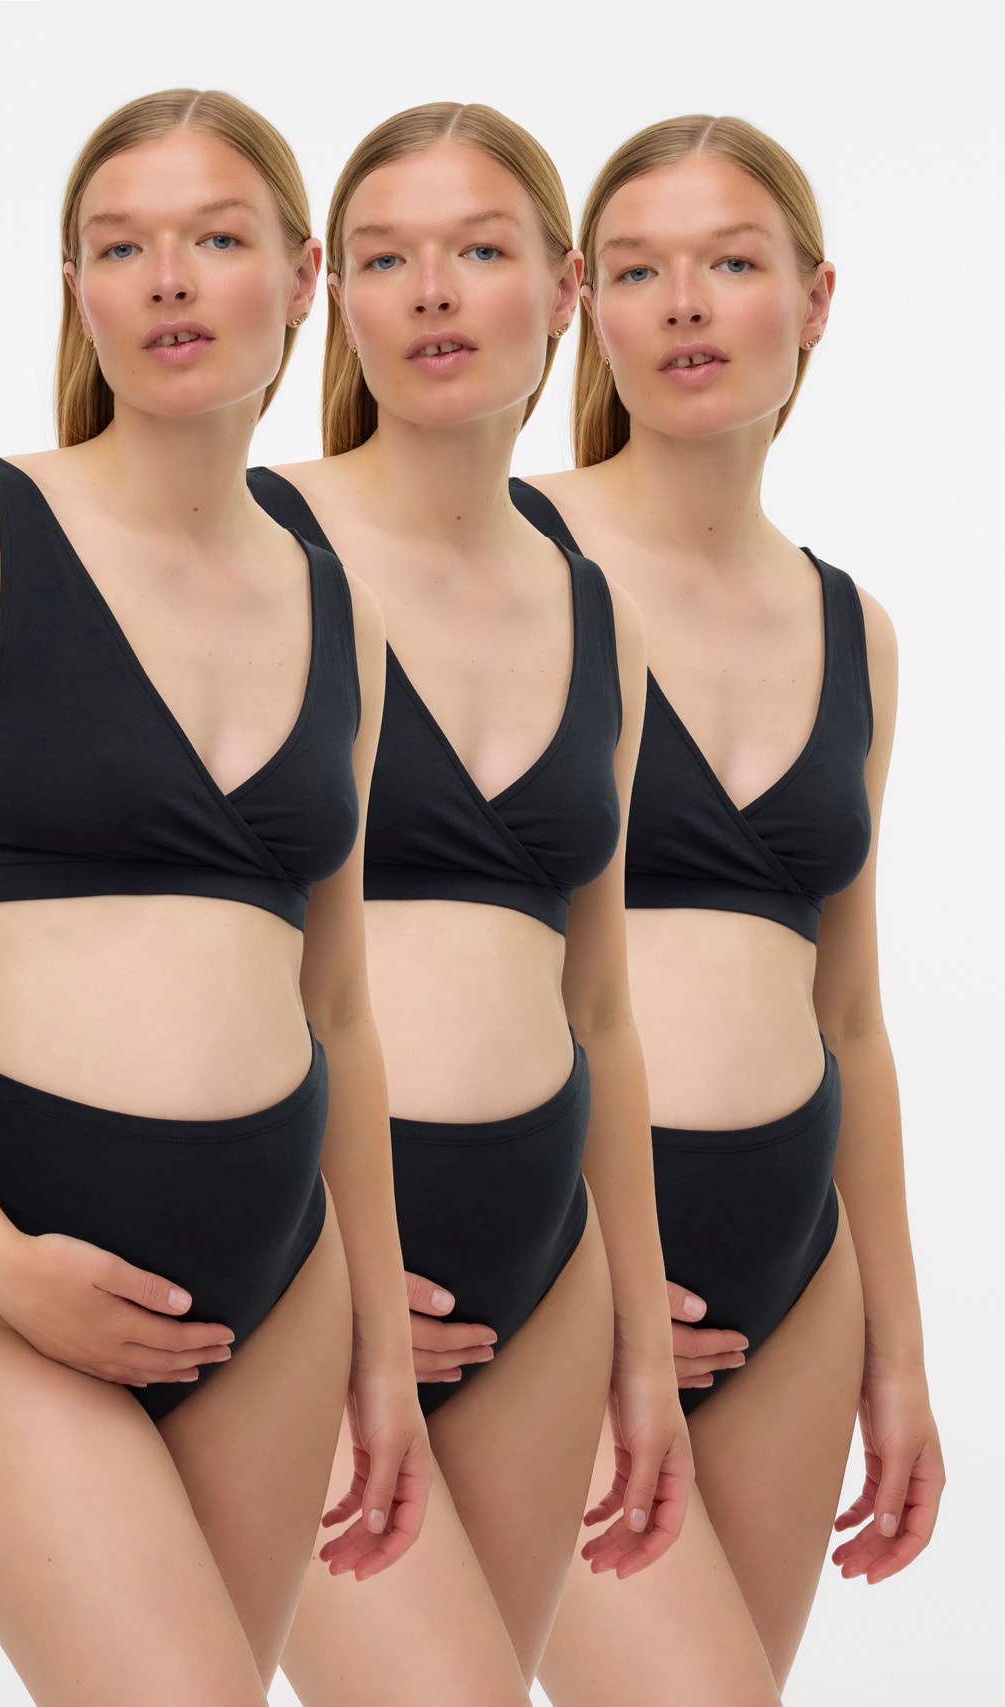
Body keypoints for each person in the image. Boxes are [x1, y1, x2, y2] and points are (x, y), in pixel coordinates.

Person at [0, 88, 429, 1707]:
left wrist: (380, 1344)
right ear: (76, 289)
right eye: (121, 248)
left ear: (302, 276)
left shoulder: (335, 600)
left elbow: (338, 1004)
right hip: (2, 1280)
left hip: (278, 1296)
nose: (168, 280)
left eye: (214, 239)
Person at [249, 102, 689, 1706]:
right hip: (297, 1264)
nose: (432, 292)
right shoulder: (255, 536)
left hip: (542, 1284)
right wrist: (333, 1280)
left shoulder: (595, 608)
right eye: (387, 259)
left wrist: (639, 1342)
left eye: (479, 251)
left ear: (565, 289)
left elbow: (602, 1009)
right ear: (334, 297)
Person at [509, 114, 944, 1704]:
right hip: (544, 1267)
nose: (686, 304)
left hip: (791, 1292)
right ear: (586, 304)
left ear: (815, 299)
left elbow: (851, 1018)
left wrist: (897, 1349)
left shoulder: (856, 628)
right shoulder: (501, 549)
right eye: (640, 271)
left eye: (732, 264)